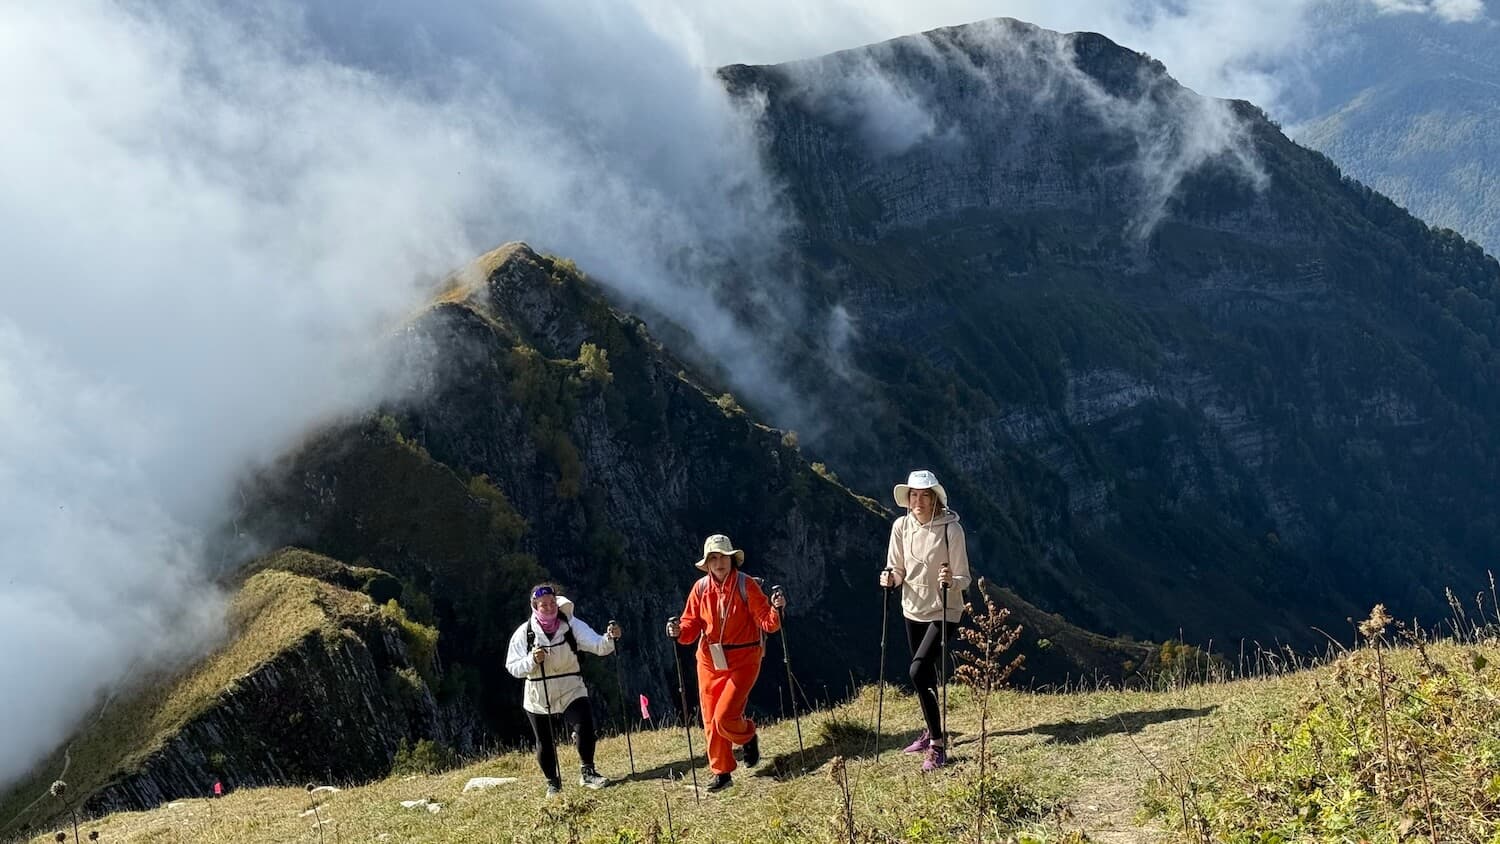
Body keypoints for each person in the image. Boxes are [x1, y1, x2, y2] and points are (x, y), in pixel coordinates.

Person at [665, 534, 786, 792]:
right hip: (709, 661)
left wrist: (777, 610)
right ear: (707, 563)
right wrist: (678, 631)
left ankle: (748, 735)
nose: (719, 563)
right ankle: (722, 773)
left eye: (723, 557)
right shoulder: (700, 589)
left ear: (732, 560)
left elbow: (767, 622)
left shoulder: (746, 585)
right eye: (713, 558)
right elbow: (690, 625)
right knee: (710, 718)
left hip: (744, 659)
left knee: (724, 717)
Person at [878, 469, 971, 771]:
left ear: (935, 499)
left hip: (944, 610)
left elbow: (964, 578)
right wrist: (890, 579)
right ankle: (931, 731)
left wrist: (951, 581)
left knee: (917, 671)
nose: (918, 501)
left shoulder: (951, 530)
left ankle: (938, 746)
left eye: (924, 495)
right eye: (914, 495)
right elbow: (897, 568)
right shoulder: (901, 526)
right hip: (912, 608)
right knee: (925, 675)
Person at [505, 583, 623, 796]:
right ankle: (553, 784)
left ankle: (588, 773)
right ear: (535, 607)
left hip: (571, 688)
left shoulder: (572, 625)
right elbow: (512, 667)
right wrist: (532, 660)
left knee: (584, 726)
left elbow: (598, 645)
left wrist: (610, 638)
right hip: (538, 694)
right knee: (544, 742)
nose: (549, 607)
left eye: (552, 603)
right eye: (543, 605)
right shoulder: (524, 633)